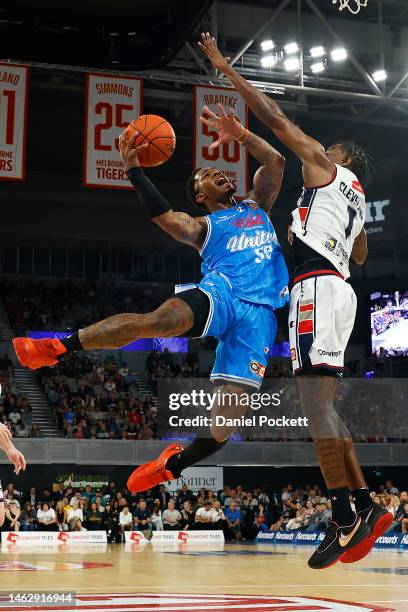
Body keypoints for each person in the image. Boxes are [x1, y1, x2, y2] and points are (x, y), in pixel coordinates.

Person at [13, 104, 288, 493]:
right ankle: (57, 346)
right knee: (158, 322)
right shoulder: (204, 226)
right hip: (223, 293)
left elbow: (275, 162)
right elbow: (165, 217)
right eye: (208, 175)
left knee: (225, 425)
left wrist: (241, 135)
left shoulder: (257, 206)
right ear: (200, 193)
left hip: (260, 316)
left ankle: (172, 465)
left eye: (218, 171)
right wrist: (133, 169)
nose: (218, 174)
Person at [197, 31, 393, 570]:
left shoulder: (326, 170)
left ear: (343, 158)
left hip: (315, 288)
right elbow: (361, 256)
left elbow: (276, 118)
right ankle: (369, 508)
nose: (321, 147)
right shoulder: (354, 198)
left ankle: (343, 517)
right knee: (324, 407)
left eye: (330, 148)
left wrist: (226, 73)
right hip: (341, 289)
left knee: (313, 409)